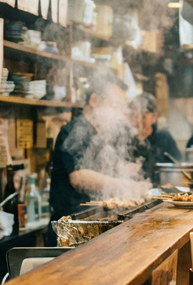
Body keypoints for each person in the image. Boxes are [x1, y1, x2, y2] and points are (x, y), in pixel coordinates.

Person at [49, 74, 148, 245]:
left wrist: (124, 171)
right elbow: (79, 177)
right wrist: (124, 184)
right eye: (116, 106)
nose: (122, 113)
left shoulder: (102, 134)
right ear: (94, 101)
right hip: (72, 228)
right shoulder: (74, 132)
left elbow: (103, 169)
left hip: (96, 223)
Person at [128, 93, 182, 181]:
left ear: (154, 117)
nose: (137, 120)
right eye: (134, 115)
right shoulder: (126, 140)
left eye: (143, 116)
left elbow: (178, 166)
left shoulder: (164, 138)